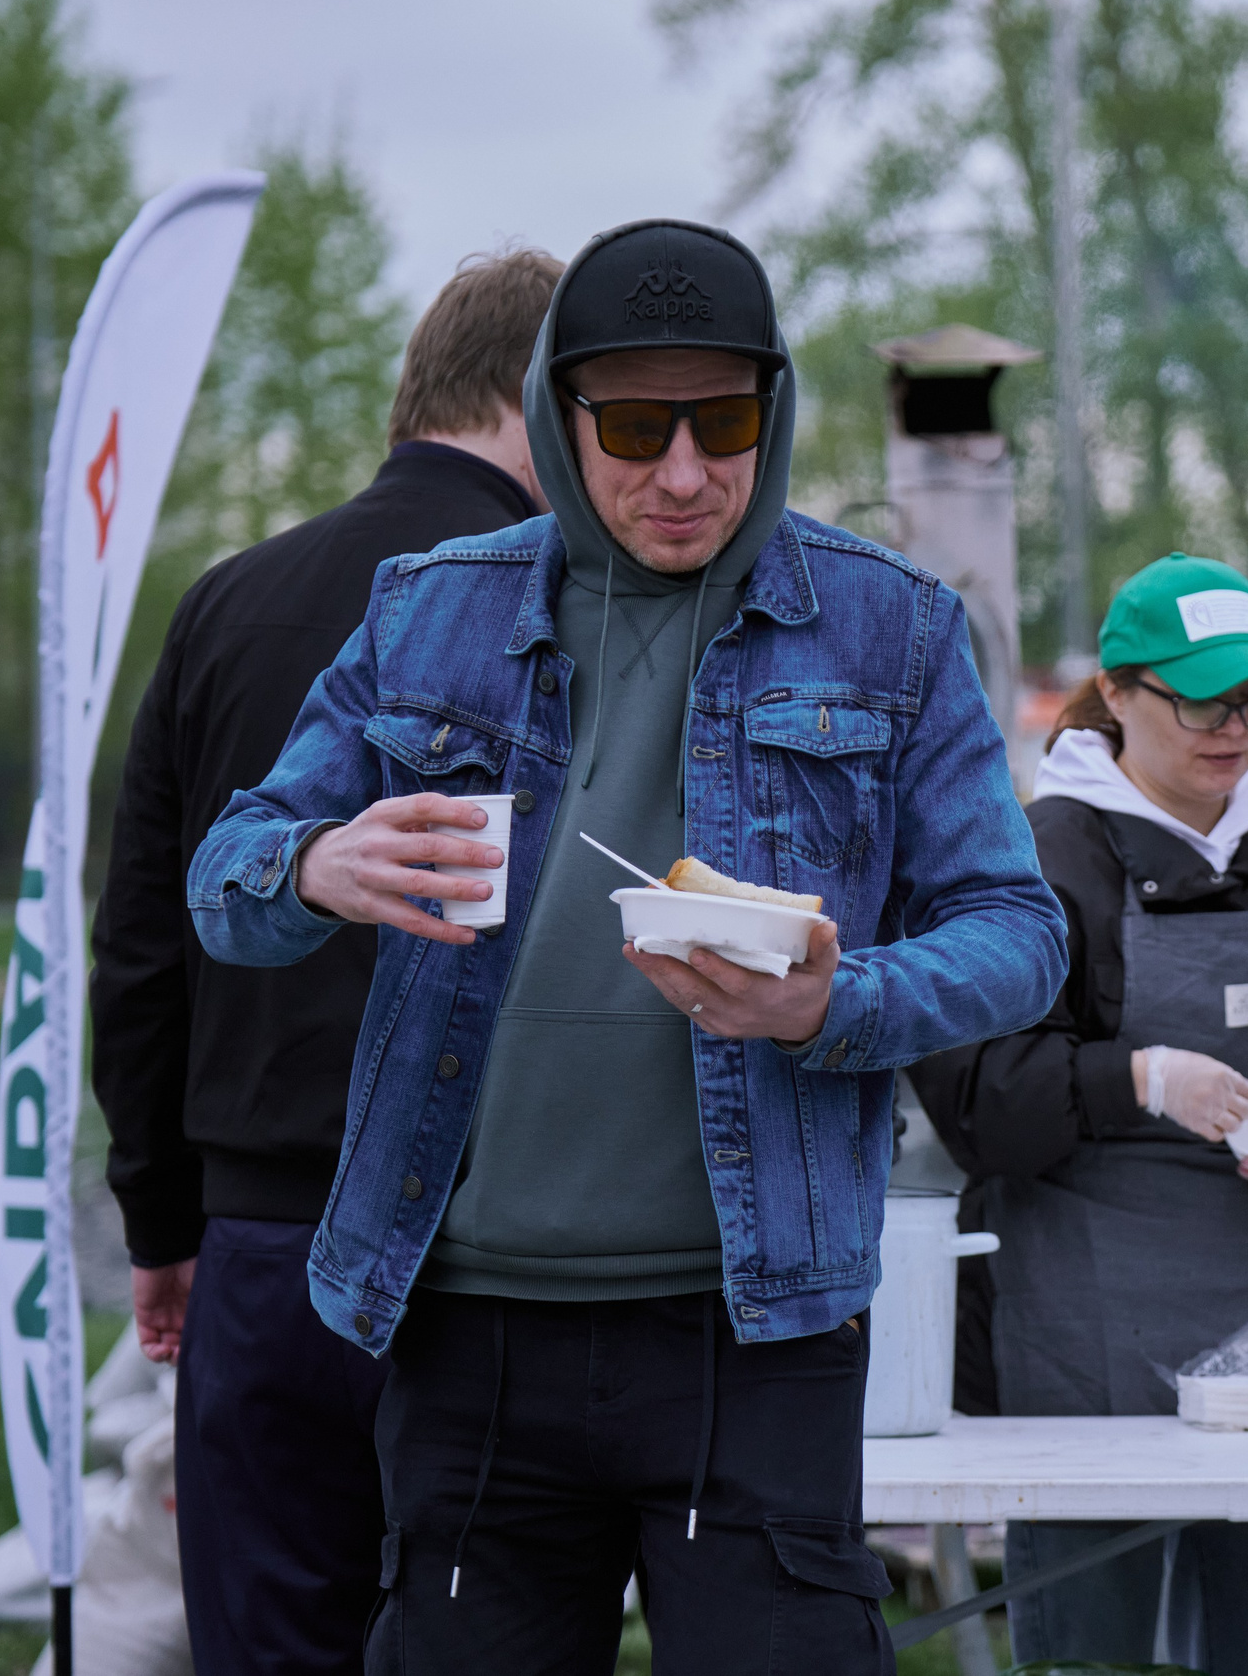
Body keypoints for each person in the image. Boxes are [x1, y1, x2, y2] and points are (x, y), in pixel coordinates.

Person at [185, 218, 1068, 1676]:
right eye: (635, 425)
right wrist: (318, 863)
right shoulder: (432, 608)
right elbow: (224, 878)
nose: (680, 471)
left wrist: (832, 1003)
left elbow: (1021, 937)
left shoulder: (892, 626)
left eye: (721, 423)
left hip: (755, 1326)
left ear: (771, 415)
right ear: (557, 413)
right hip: (467, 1326)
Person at [89, 248, 561, 1676]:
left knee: (274, 1639)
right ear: (536, 405)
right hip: (492, 1254)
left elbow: (141, 947)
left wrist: (162, 1217)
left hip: (263, 1245)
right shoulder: (564, 614)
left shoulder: (226, 600)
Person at [912, 552, 1248, 1676]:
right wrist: (1140, 1079)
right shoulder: (1037, 859)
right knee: (1094, 1651)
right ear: (1115, 692)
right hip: (1085, 1338)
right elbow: (972, 1098)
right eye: (1201, 698)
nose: (1234, 726)